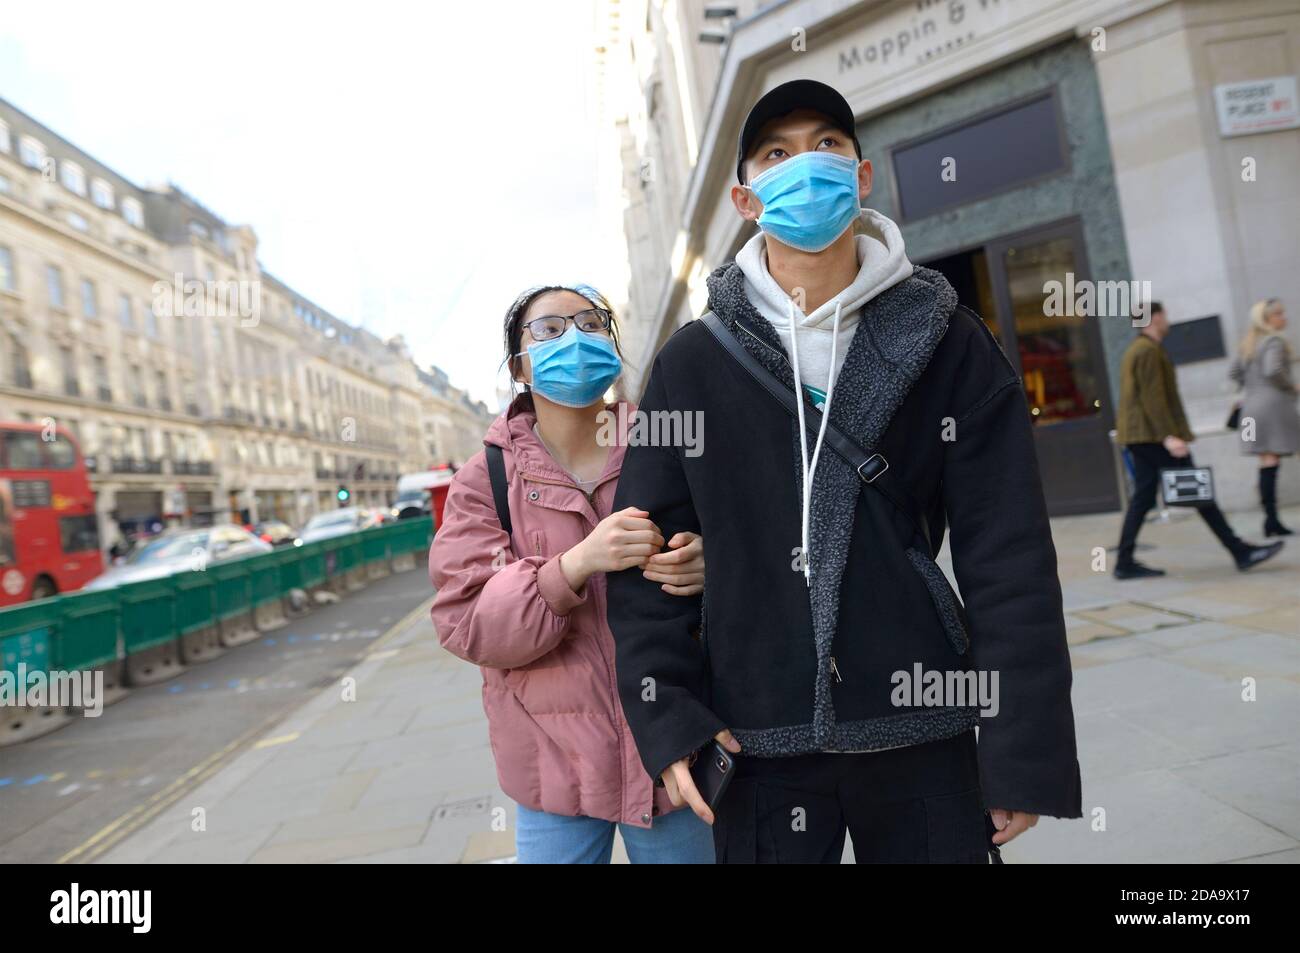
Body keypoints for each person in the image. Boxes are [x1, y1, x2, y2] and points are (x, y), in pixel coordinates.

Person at [606, 79, 1081, 864]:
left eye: (827, 144)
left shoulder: (951, 340)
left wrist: (1021, 748)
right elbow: (641, 553)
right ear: (747, 197)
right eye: (776, 153)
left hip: (925, 719)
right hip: (758, 737)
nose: (806, 166)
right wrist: (671, 719)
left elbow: (1012, 557)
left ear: (862, 176)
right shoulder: (691, 364)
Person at [427, 284, 716, 864]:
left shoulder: (668, 440)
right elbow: (468, 623)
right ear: (519, 366)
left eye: (590, 322)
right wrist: (572, 567)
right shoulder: (485, 478)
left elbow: (759, 552)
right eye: (551, 330)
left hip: (674, 752)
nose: (576, 338)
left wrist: (711, 562)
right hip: (554, 768)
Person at [1114, 301, 1283, 578]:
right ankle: (1240, 551)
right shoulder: (1147, 351)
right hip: (1154, 436)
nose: (1168, 320)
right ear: (1155, 318)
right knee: (1197, 490)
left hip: (1143, 435)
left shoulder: (1140, 349)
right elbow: (1152, 399)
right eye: (1165, 315)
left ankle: (1124, 562)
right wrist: (1169, 436)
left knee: (1145, 497)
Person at [1229, 298, 1298, 537]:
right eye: (1279, 313)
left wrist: (1250, 386)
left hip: (1250, 411)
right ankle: (1271, 521)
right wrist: (1293, 387)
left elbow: (1234, 372)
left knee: (1266, 461)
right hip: (1272, 409)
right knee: (1272, 460)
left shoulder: (1248, 343)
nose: (1284, 317)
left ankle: (1270, 519)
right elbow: (1273, 370)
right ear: (1268, 319)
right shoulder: (1274, 341)